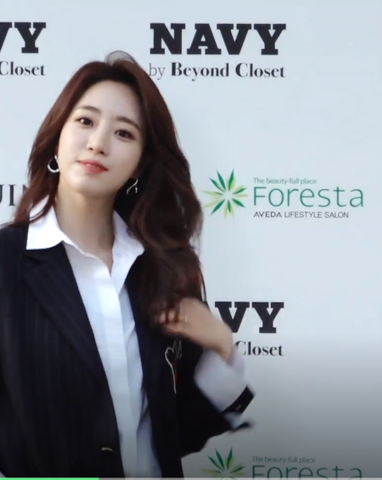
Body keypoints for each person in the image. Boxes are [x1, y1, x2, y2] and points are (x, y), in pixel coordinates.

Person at [0, 51, 254, 477]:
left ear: (140, 163)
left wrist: (221, 348)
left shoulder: (165, 268)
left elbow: (182, 433)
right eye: (85, 121)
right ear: (57, 136)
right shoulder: (8, 262)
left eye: (124, 133)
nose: (98, 142)